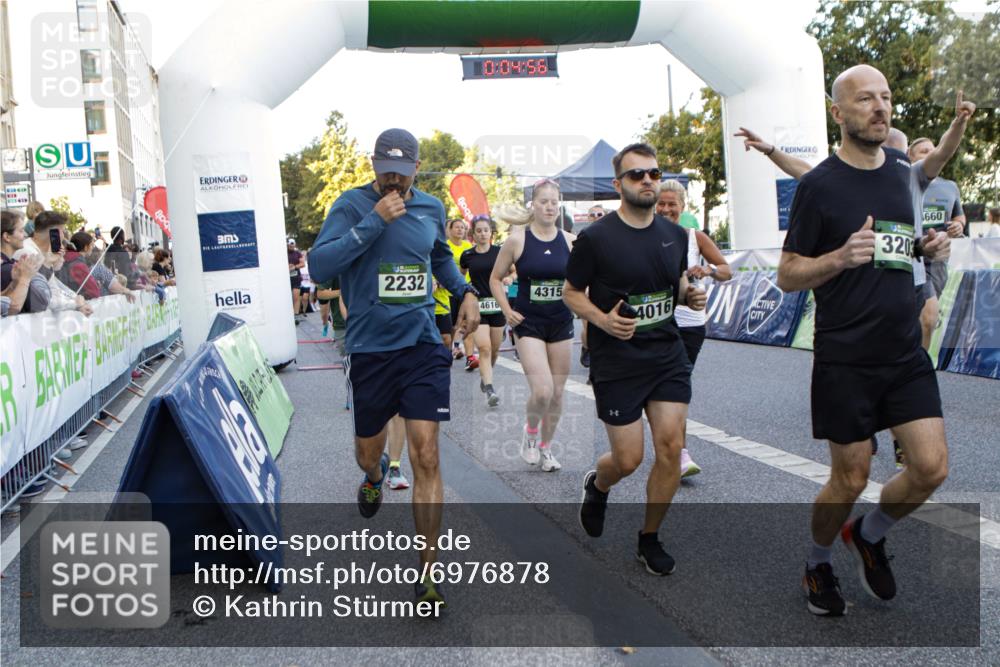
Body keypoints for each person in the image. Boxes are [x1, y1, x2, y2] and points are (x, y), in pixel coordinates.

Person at [777, 65, 965, 617]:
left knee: (931, 468)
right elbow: (787, 274)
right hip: (846, 356)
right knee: (850, 478)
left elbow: (899, 245)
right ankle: (817, 563)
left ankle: (868, 534)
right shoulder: (819, 186)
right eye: (865, 99)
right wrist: (838, 257)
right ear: (839, 113)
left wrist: (924, 247)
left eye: (885, 97)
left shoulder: (903, 173)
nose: (880, 107)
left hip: (904, 351)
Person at [308, 127, 479, 609]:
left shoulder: (431, 207)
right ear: (373, 164)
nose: (393, 182)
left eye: (402, 175)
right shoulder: (350, 205)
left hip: (422, 344)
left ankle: (428, 572)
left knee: (427, 454)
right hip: (370, 349)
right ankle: (374, 475)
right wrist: (374, 221)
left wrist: (465, 291)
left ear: (416, 170)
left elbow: (440, 257)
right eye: (386, 172)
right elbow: (319, 267)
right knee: (368, 452)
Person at [566, 143, 707, 576]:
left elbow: (673, 284)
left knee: (670, 448)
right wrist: (602, 321)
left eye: (654, 173)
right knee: (627, 459)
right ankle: (599, 484)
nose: (647, 180)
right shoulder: (596, 238)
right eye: (636, 174)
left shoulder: (675, 235)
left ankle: (649, 538)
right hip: (618, 360)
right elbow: (571, 293)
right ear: (618, 184)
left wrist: (688, 294)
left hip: (666, 354)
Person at [490, 180, 575, 472]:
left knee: (558, 393)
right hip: (528, 323)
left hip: (561, 322)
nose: (550, 207)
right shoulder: (517, 241)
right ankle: (530, 432)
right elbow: (495, 279)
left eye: (554, 202)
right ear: (533, 205)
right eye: (544, 202)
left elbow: (582, 281)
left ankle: (546, 448)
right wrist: (507, 310)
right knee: (542, 391)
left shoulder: (570, 241)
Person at [656, 179, 733, 478]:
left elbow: (726, 270)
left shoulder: (694, 238)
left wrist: (708, 270)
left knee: (677, 385)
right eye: (661, 203)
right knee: (662, 386)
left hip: (689, 323)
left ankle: (679, 451)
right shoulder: (644, 235)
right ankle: (671, 444)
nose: (666, 209)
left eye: (671, 204)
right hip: (656, 320)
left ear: (683, 206)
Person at [907, 137, 966, 349]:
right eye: (924, 151)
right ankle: (921, 364)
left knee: (924, 318)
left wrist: (958, 225)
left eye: (933, 150)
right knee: (929, 316)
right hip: (913, 255)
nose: (931, 154)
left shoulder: (950, 187)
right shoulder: (906, 181)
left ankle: (914, 356)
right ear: (910, 157)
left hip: (939, 260)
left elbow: (959, 216)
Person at [460, 215, 508, 407]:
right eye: (478, 231)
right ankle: (489, 388)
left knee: (494, 350)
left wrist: (509, 278)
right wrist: (466, 294)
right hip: (478, 307)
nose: (482, 234)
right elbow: (460, 277)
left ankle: (485, 376)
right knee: (484, 348)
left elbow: (513, 270)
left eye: (486, 230)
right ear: (473, 233)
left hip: (497, 305)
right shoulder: (467, 255)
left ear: (491, 233)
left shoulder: (500, 252)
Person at [1, 210, 46, 315]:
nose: (25, 235)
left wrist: (14, 283)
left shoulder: (11, 265)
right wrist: (25, 277)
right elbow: (40, 302)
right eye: (21, 231)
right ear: (7, 237)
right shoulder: (6, 269)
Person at [446, 218, 476, 369]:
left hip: (465, 290)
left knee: (467, 322)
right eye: (456, 227)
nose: (460, 230)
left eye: (462, 228)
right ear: (450, 229)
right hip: (449, 291)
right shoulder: (446, 246)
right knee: (452, 326)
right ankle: (451, 350)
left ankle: (469, 357)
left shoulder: (467, 246)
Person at [287, 239, 305, 322]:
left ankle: (296, 315)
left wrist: (294, 267)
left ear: (295, 245)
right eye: (290, 245)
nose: (291, 246)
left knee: (296, 297)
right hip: (285, 279)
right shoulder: (283, 253)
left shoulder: (297, 253)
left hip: (296, 278)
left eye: (293, 244)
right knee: (287, 298)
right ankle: (288, 315)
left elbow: (303, 264)